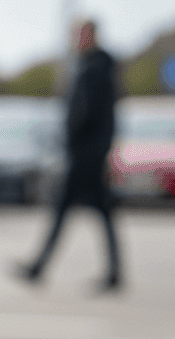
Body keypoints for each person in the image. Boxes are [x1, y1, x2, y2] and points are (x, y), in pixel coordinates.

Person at [17, 20, 121, 290]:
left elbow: (90, 114)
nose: (75, 39)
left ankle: (39, 267)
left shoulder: (96, 67)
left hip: (86, 153)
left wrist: (83, 144)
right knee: (99, 212)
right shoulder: (91, 65)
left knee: (65, 208)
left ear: (89, 35)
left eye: (78, 34)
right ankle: (113, 273)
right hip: (87, 152)